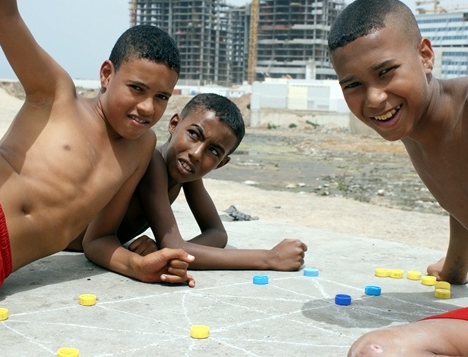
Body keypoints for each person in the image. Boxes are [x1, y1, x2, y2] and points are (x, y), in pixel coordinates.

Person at [0, 0, 194, 309]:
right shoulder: (57, 94)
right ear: (107, 74)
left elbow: (98, 239)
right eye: (137, 88)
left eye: (161, 97)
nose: (146, 107)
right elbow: (2, 14)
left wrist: (137, 267)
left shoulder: (141, 148)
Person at [328, 0, 468, 356]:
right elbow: (467, 191)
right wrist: (456, 268)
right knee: (378, 351)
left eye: (385, 72)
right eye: (353, 85)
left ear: (425, 56)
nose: (375, 99)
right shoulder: (415, 132)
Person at [71, 93, 307, 273]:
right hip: (73, 244)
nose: (196, 153)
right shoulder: (152, 161)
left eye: (213, 151)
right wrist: (269, 258)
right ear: (174, 124)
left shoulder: (187, 174)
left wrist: (168, 252)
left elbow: (217, 233)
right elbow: (176, 244)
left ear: (221, 163)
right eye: (194, 134)